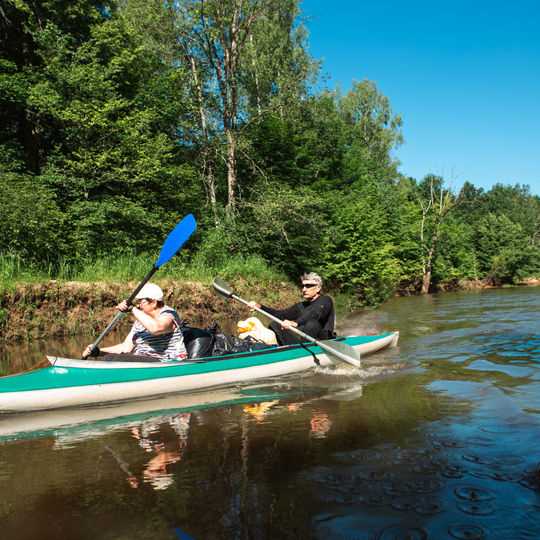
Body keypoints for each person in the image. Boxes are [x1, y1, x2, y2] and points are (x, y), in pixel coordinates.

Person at [82, 282, 187, 362]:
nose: (138, 305)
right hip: (142, 361)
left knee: (114, 359)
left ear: (154, 303)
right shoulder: (141, 320)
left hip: (166, 361)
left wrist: (132, 309)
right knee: (111, 358)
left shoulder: (168, 314)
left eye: (141, 302)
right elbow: (126, 347)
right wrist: (99, 352)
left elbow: (156, 329)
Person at [248, 272, 336, 346]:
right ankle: (278, 349)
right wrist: (260, 307)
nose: (304, 289)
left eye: (308, 286)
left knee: (312, 324)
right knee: (276, 324)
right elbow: (280, 315)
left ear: (318, 288)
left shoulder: (325, 300)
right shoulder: (301, 306)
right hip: (304, 344)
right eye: (303, 286)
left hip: (323, 341)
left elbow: (315, 313)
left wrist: (296, 323)